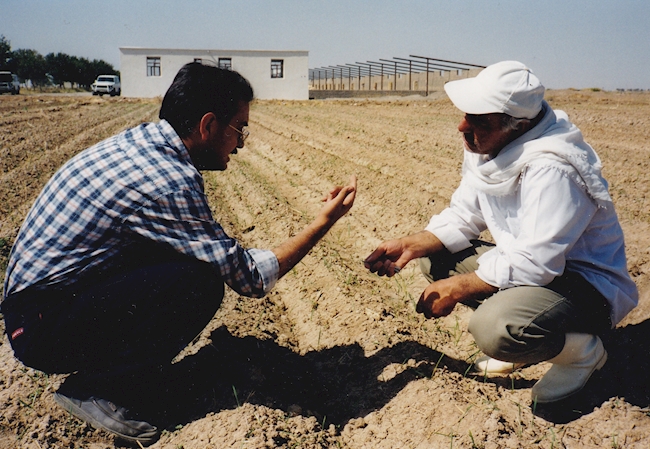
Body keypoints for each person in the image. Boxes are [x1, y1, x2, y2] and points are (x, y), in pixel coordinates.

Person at [2, 62, 356, 445]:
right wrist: (324, 221)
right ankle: (99, 389)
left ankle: (129, 378)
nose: (241, 143)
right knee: (200, 281)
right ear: (208, 126)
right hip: (42, 327)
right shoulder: (170, 181)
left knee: (182, 259)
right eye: (239, 129)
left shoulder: (141, 144)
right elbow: (249, 278)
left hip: (37, 312)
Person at [364, 61, 638, 405]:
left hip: (586, 289)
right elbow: (466, 212)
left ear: (517, 125)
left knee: (495, 328)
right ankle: (532, 334)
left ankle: (581, 352)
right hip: (541, 273)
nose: (462, 126)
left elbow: (536, 263)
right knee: (436, 256)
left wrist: (458, 287)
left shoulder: (552, 168)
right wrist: (413, 243)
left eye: (479, 120)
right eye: (466, 115)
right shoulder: (492, 148)